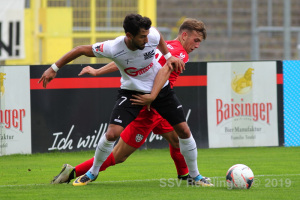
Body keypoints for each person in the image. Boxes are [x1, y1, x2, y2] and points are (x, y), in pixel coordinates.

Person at [39, 14, 207, 187]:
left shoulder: (153, 41)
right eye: (196, 40)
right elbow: (140, 65)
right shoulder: (178, 53)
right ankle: (74, 172)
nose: (197, 45)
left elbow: (131, 61)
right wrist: (152, 96)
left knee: (178, 139)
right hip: (148, 105)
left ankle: (185, 175)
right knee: (119, 156)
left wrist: (98, 71)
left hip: (158, 103)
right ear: (184, 35)